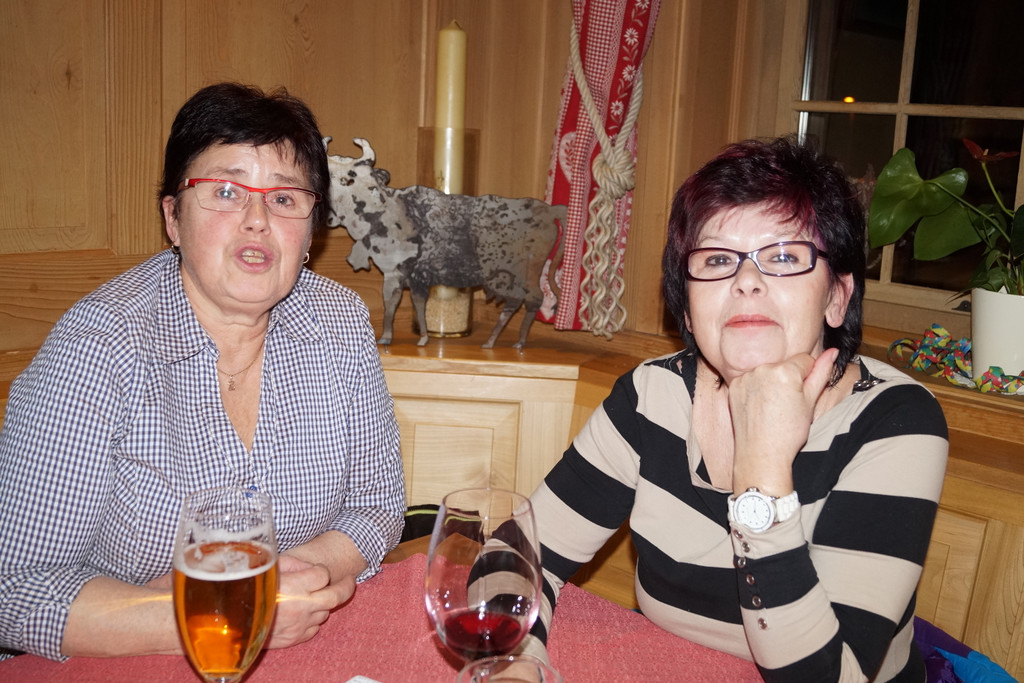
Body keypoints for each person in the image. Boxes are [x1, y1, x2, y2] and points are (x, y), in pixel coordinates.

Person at [0, 83, 405, 661]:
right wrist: (226, 612)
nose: (257, 220)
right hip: (121, 663)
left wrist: (295, 577)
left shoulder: (339, 321)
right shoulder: (97, 346)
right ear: (173, 216)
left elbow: (377, 504)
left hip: (298, 645)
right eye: (225, 191)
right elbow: (14, 590)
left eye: (284, 198)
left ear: (310, 230)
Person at [520, 136, 948, 681]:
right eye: (718, 259)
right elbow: (520, 558)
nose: (746, 281)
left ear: (837, 298)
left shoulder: (895, 422)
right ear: (688, 310)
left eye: (784, 256)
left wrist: (762, 473)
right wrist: (516, 660)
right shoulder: (651, 396)